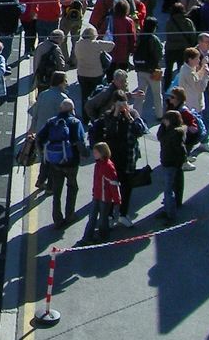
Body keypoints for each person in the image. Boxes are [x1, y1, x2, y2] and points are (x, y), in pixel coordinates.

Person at [90, 91, 148, 226]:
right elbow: (110, 131)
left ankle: (123, 214)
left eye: (124, 103)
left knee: (127, 187)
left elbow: (140, 131)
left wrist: (129, 117)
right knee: (112, 186)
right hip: (114, 158)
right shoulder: (108, 116)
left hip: (128, 157)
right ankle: (109, 216)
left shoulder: (132, 114)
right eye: (119, 104)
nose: (122, 106)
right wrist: (115, 114)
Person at [37, 99, 87, 228]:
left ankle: (57, 220)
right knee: (72, 186)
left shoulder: (52, 121)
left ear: (60, 109)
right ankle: (70, 215)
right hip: (71, 162)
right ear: (72, 110)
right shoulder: (75, 123)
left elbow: (40, 138)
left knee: (56, 191)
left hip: (55, 162)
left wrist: (44, 152)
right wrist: (85, 154)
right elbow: (80, 141)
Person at [76, 141, 121, 245]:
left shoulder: (108, 166)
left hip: (105, 198)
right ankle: (87, 237)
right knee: (93, 217)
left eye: (96, 152)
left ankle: (103, 237)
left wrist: (117, 199)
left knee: (103, 219)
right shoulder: (99, 165)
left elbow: (113, 184)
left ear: (102, 153)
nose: (94, 154)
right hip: (97, 195)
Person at [73, 26, 113, 119]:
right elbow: (111, 45)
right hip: (96, 74)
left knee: (84, 96)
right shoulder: (96, 44)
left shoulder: (78, 44)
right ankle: (95, 116)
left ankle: (85, 116)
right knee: (96, 96)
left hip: (82, 74)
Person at [156, 109, 187, 221]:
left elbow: (181, 152)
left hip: (171, 164)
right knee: (167, 189)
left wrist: (178, 165)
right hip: (167, 162)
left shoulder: (175, 134)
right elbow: (160, 136)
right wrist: (164, 125)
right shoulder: (169, 131)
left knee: (168, 190)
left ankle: (171, 215)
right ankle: (167, 210)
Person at [133, 16, 164, 122]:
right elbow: (159, 55)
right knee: (157, 94)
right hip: (153, 70)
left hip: (140, 68)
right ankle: (159, 115)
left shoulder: (140, 37)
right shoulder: (154, 39)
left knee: (140, 93)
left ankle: (136, 114)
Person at [164, 2, 199, 90]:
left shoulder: (170, 21)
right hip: (183, 48)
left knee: (168, 68)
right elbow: (193, 34)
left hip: (170, 47)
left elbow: (167, 34)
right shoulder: (187, 21)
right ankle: (181, 86)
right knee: (181, 68)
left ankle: (166, 86)